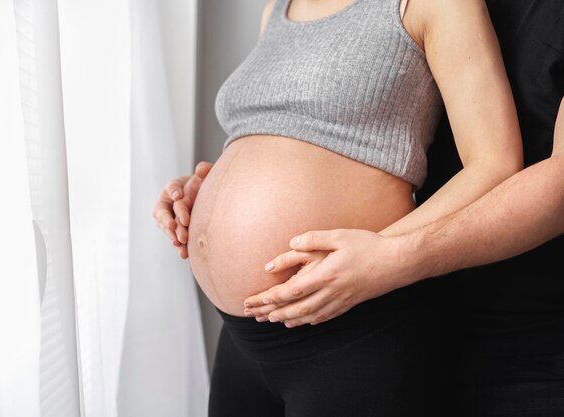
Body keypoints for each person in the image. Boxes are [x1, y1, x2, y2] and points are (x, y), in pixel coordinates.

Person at [153, 0, 523, 415]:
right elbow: (287, 135)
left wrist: (383, 251)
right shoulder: (278, 8)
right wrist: (203, 188)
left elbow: (495, 163)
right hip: (243, 339)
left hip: (351, 330)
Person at [240, 1, 564, 415]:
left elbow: (550, 183)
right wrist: (222, 181)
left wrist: (388, 253)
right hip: (395, 311)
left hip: (523, 340)